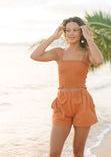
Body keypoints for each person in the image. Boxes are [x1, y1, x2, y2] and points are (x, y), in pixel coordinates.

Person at [30, 16, 103, 157]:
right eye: (68, 30)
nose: (71, 33)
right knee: (54, 153)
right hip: (62, 103)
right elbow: (35, 55)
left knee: (78, 152)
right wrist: (52, 37)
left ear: (82, 32)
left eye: (75, 30)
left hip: (82, 103)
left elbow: (98, 60)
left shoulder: (86, 53)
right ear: (64, 33)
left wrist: (89, 39)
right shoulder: (59, 52)